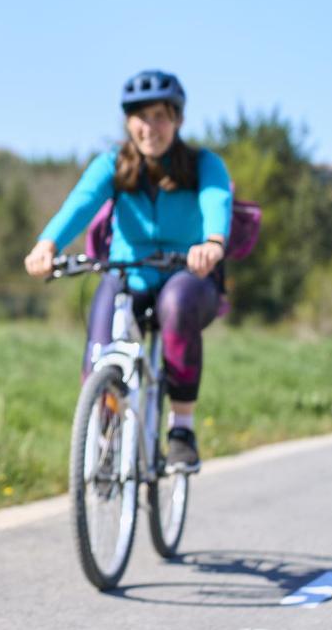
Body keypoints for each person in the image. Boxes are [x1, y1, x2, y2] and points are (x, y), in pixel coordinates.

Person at [24, 70, 231, 473]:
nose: (149, 126)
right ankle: (104, 435)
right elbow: (80, 204)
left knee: (177, 305)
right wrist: (47, 245)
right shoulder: (113, 164)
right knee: (100, 351)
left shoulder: (202, 164)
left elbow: (216, 199)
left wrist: (213, 243)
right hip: (127, 273)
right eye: (140, 116)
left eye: (160, 116)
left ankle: (182, 430)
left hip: (186, 274)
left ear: (178, 120)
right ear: (127, 122)